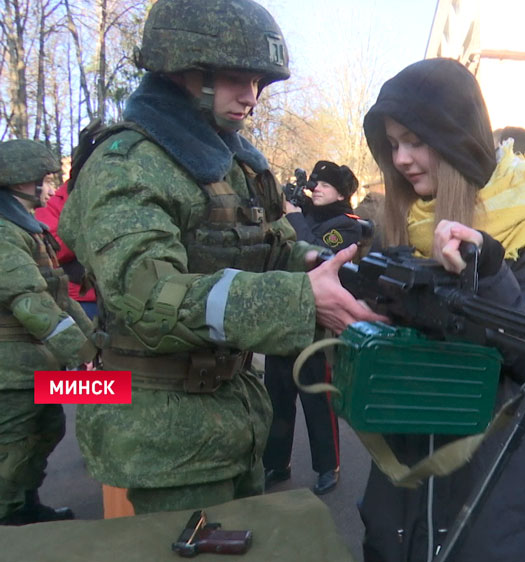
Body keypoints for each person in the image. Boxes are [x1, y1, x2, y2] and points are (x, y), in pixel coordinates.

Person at [60, 0, 384, 515]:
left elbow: (274, 242)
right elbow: (147, 296)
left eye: (258, 81)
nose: (250, 97)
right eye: (236, 78)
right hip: (163, 437)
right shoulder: (127, 164)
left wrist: (325, 267)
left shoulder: (233, 164)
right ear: (182, 69)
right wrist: (301, 300)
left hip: (236, 416)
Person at [358, 57, 525, 561]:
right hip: (405, 463)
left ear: (455, 138)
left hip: (497, 467)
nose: (402, 159)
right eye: (392, 145)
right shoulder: (400, 219)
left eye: (415, 141)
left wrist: (489, 271)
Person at [0, 139, 95, 525]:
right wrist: (82, 353)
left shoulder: (33, 230)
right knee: (13, 446)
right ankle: (7, 517)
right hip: (11, 373)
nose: (47, 186)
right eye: (41, 179)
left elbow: (60, 295)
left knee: (47, 430)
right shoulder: (5, 233)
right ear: (18, 181)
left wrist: (94, 345)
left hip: (38, 366)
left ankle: (26, 504)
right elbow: (31, 301)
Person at [263, 160, 364, 496]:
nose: (316, 187)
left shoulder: (348, 225)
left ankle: (327, 466)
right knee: (277, 399)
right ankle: (276, 463)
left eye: (326, 184)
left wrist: (292, 216)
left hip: (314, 326)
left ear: (341, 192)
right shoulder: (304, 216)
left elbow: (319, 255)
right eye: (315, 183)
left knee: (317, 401)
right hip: (281, 319)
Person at [35, 182, 98, 319]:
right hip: (81, 298)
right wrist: (94, 235)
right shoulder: (52, 203)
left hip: (117, 296)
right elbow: (55, 249)